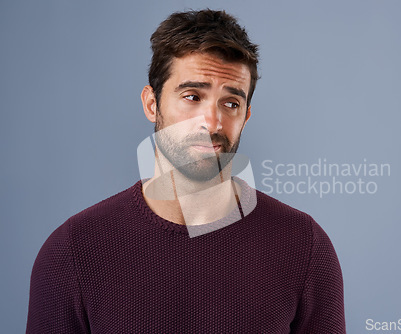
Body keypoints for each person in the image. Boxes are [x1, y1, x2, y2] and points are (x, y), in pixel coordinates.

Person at [26, 9, 346, 333]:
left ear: (246, 116)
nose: (212, 121)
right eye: (192, 96)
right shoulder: (73, 252)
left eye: (231, 103)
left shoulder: (303, 247)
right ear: (152, 104)